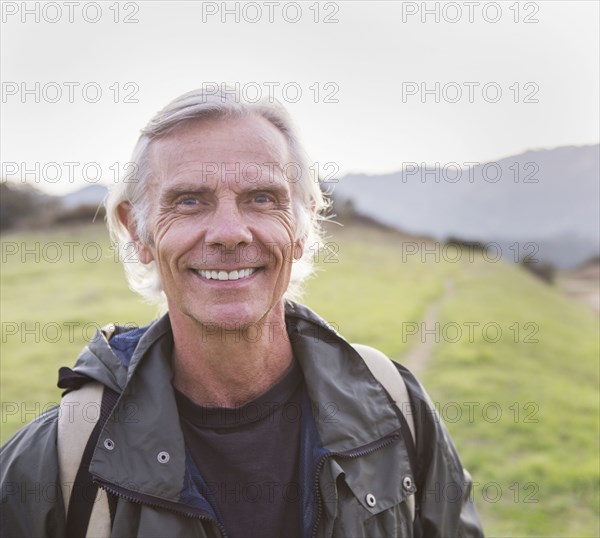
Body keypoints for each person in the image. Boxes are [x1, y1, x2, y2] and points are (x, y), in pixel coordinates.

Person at [1, 87, 484, 537]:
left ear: (301, 225)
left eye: (261, 198)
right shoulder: (56, 460)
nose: (229, 232)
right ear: (138, 231)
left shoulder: (394, 406)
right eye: (189, 201)